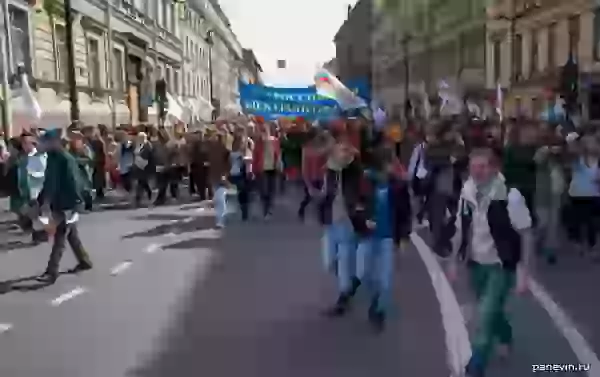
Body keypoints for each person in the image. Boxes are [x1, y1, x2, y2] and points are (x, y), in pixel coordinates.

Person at [447, 148, 533, 377]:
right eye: (474, 167)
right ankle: (505, 335)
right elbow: (460, 229)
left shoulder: (509, 196)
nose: (477, 171)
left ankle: (476, 365)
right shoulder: (467, 192)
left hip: (500, 265)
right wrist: (454, 261)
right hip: (476, 263)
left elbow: (526, 234)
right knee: (491, 311)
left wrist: (524, 273)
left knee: (484, 315)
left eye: (483, 166)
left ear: (495, 169)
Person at [350, 147, 412, 331]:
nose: (394, 166)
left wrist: (403, 237)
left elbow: (405, 214)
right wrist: (363, 220)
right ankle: (375, 296)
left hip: (387, 238)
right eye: (390, 163)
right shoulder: (365, 181)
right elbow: (355, 207)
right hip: (367, 237)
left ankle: (378, 310)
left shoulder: (399, 186)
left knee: (386, 280)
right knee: (363, 274)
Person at [37, 129, 93, 284]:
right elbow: (50, 182)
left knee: (60, 235)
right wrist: (43, 200)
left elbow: (74, 183)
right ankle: (85, 261)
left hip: (68, 203)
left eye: (46, 141)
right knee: (71, 234)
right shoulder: (53, 158)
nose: (43, 144)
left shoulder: (65, 159)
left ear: (55, 142)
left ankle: (51, 271)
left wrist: (74, 205)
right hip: (59, 203)